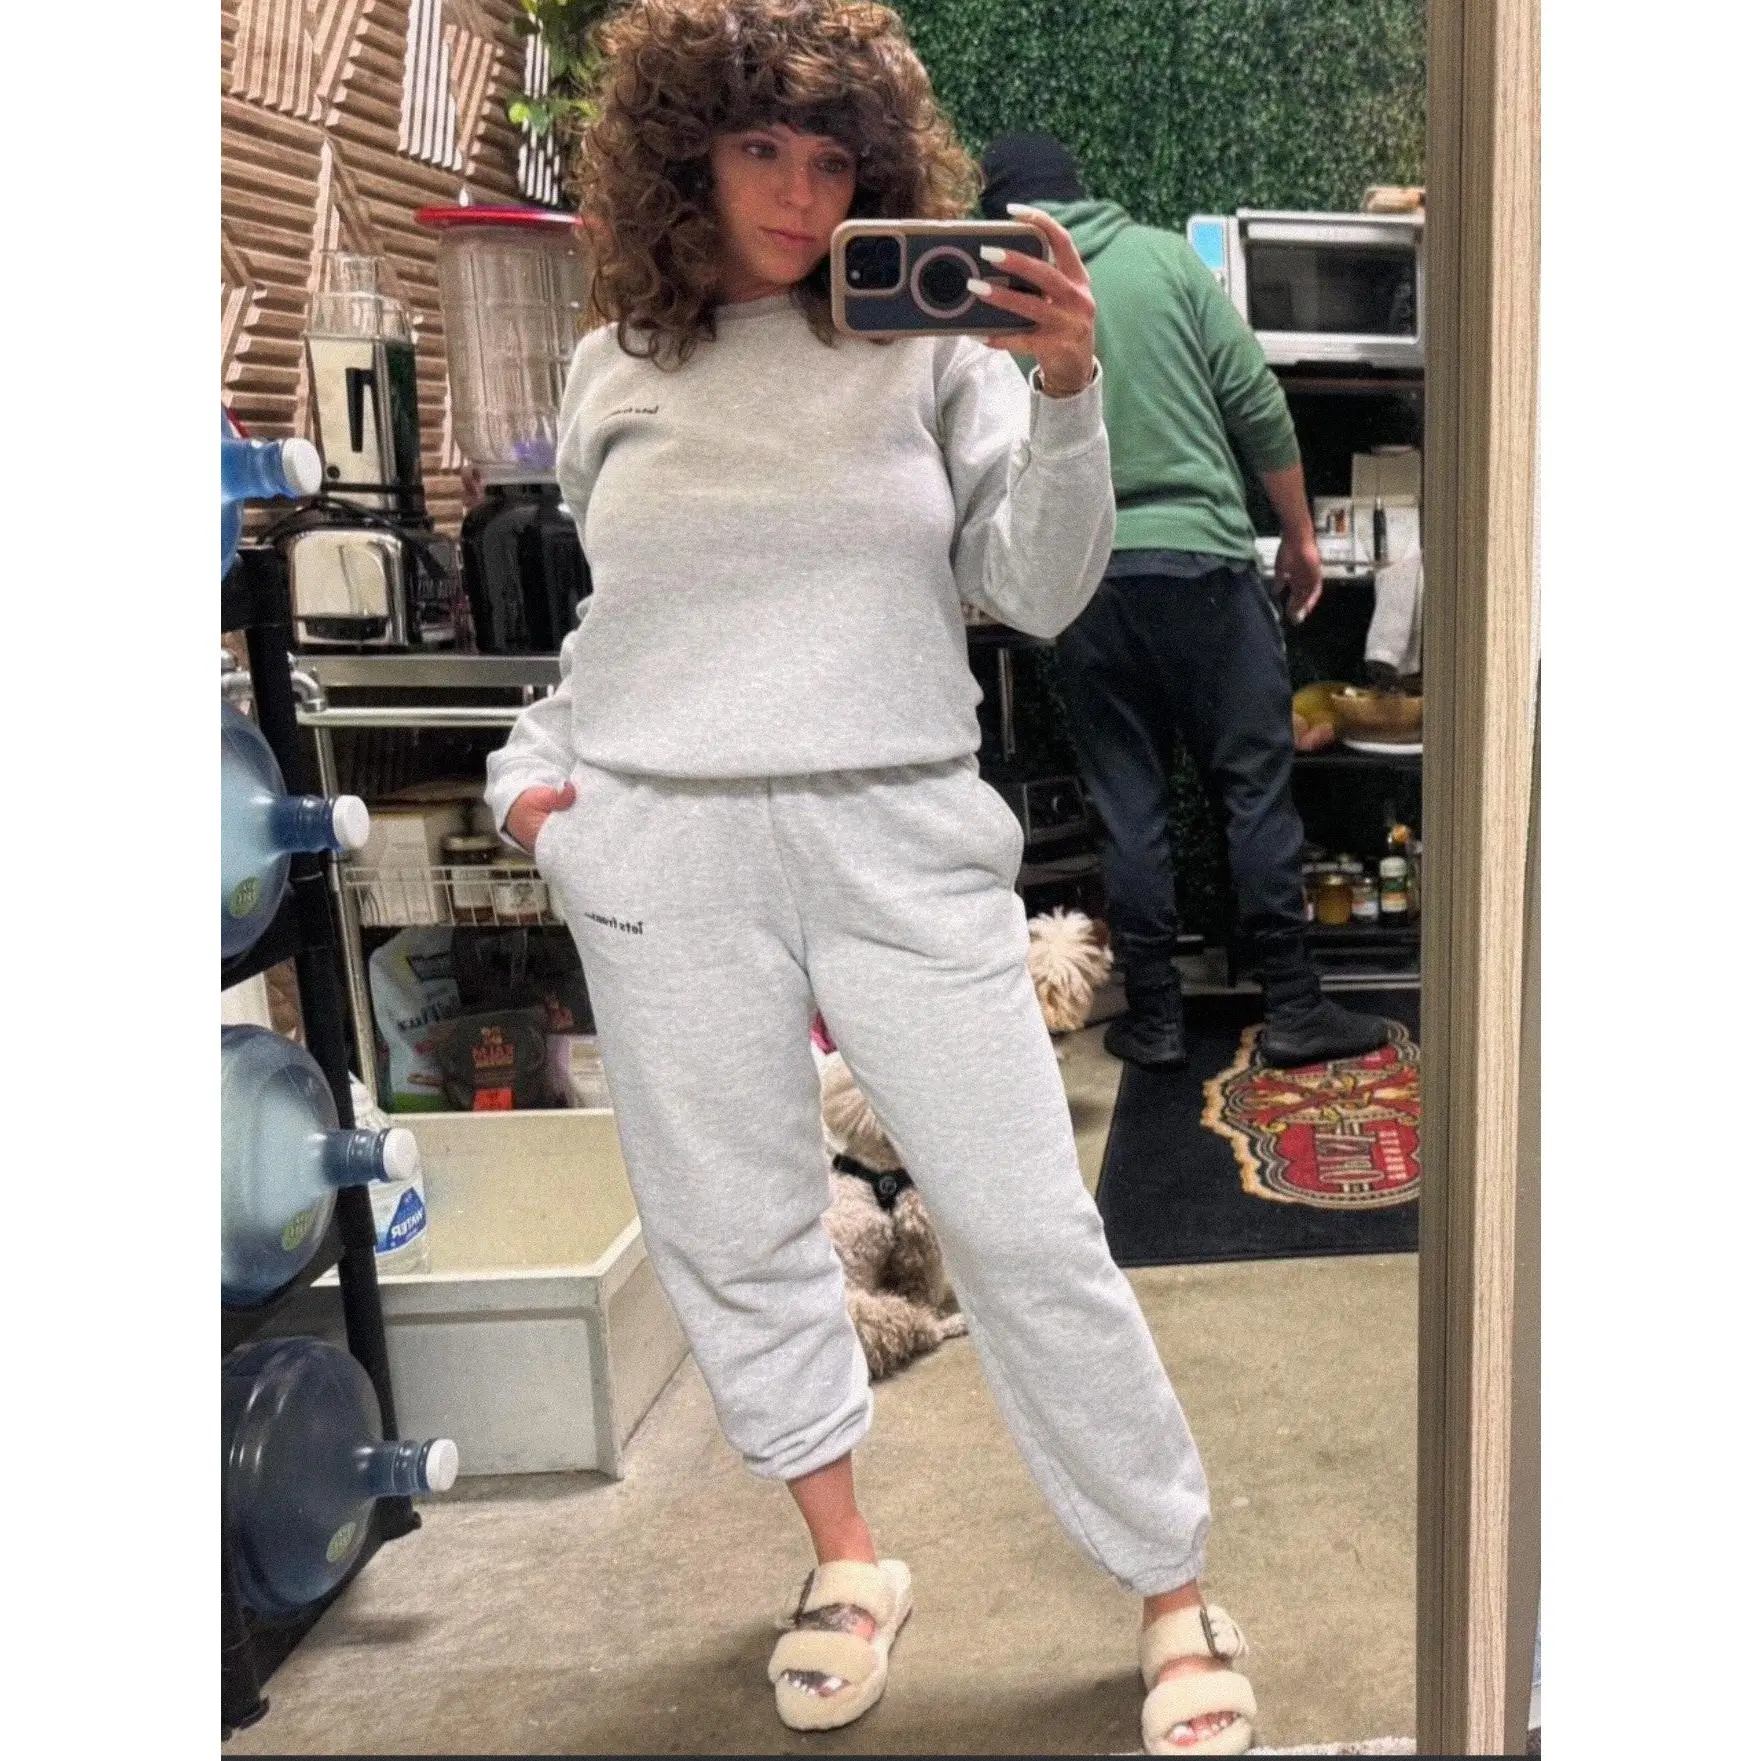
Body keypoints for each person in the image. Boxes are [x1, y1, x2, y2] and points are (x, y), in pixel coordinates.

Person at [486, 4, 1257, 1751]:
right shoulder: (619, 365)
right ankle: (844, 1558)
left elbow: (1038, 590)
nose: (797, 191)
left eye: (833, 159)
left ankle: (1169, 1582)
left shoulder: (934, 354)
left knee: (1027, 1225)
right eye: (758, 148)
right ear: (683, 160)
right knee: (736, 1228)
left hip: (899, 832)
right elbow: (630, 623)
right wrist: (544, 798)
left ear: (882, 178)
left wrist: (1067, 389)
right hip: (668, 845)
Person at [979, 133, 1390, 1070]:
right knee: (1252, 788)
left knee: (1128, 803)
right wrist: (1297, 535)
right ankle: (1293, 1006)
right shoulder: (1164, 260)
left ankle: (1156, 1016)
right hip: (1205, 566)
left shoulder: (995, 305)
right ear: (1079, 191)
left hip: (1086, 582)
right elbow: (1256, 403)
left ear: (996, 214)